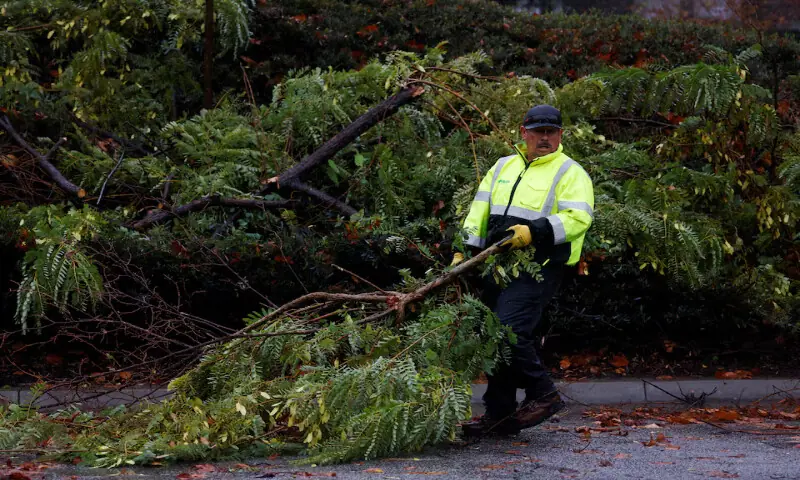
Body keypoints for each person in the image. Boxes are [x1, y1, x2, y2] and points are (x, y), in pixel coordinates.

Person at [452, 104, 594, 436]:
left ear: (561, 135)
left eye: (551, 132)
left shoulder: (570, 172)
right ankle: (500, 415)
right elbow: (479, 210)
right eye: (538, 132)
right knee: (493, 335)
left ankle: (544, 395)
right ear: (523, 132)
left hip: (540, 267)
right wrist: (462, 250)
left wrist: (535, 231)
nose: (544, 138)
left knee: (508, 329)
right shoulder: (502, 166)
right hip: (496, 264)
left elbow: (578, 218)